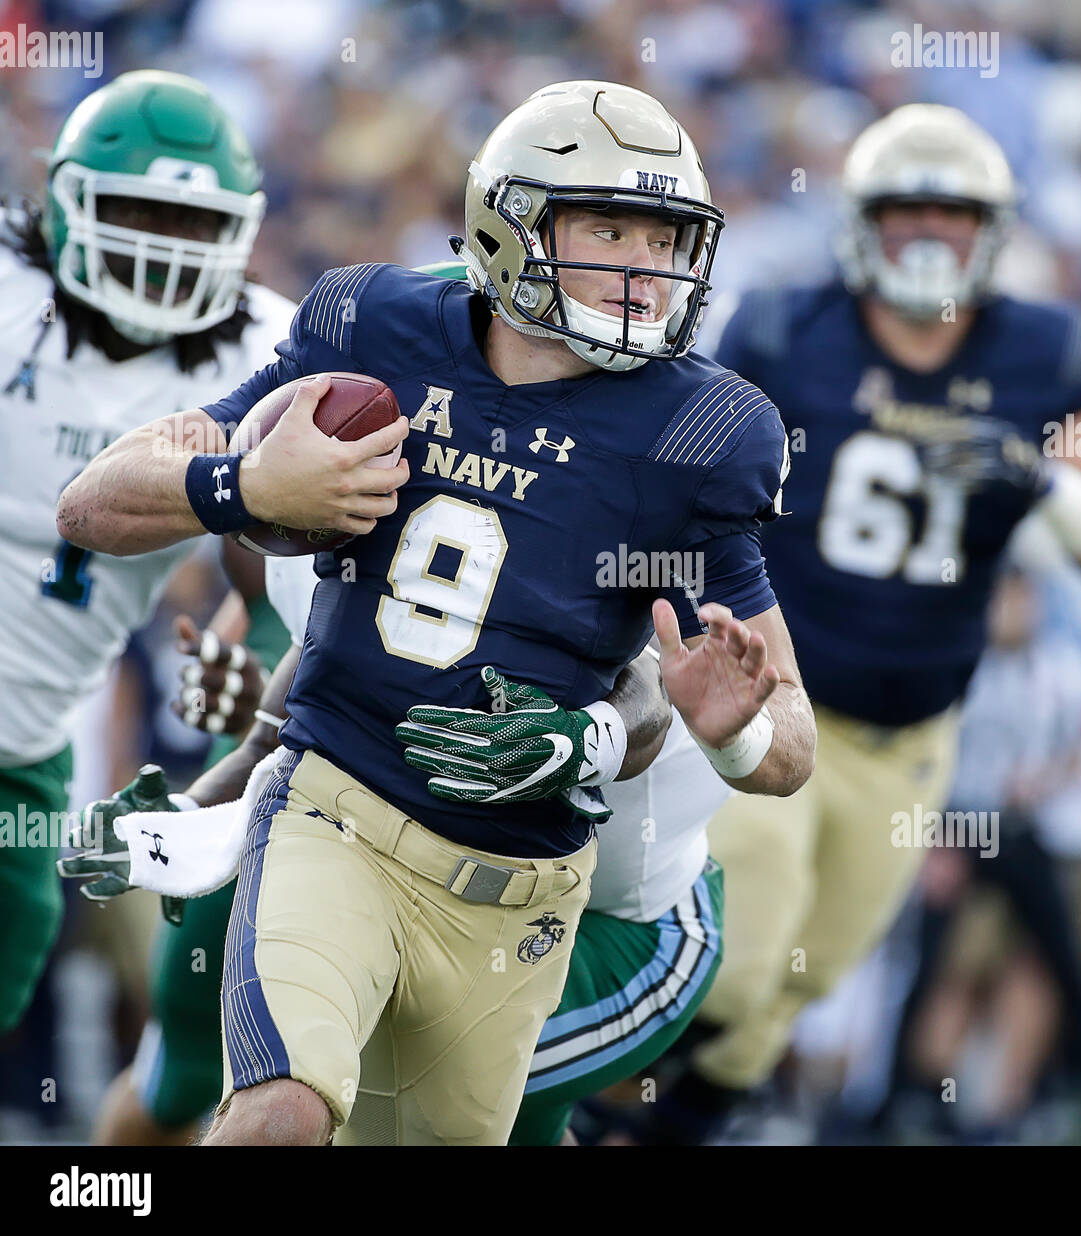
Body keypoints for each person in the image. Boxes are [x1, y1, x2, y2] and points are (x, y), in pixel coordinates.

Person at [56, 80, 817, 1146]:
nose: (646, 270)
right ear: (510, 224)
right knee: (275, 1112)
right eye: (608, 229)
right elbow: (95, 502)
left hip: (539, 893)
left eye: (665, 238)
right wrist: (241, 491)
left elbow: (785, 743)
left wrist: (733, 726)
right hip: (337, 815)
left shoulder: (698, 433)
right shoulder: (374, 335)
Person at [644, 102, 1081, 1143]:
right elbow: (679, 482)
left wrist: (1040, 487)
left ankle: (650, 1131)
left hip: (911, 739)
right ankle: (596, 1106)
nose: (928, 235)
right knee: (741, 964)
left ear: (993, 231)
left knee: (805, 983)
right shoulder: (788, 332)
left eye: (953, 213)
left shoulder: (1045, 353)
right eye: (905, 211)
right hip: (776, 697)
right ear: (860, 223)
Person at [0, 69, 292, 1037]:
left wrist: (251, 654)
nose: (159, 246)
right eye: (134, 210)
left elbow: (296, 565)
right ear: (70, 202)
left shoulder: (266, 353)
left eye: (189, 223)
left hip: (26, 748)